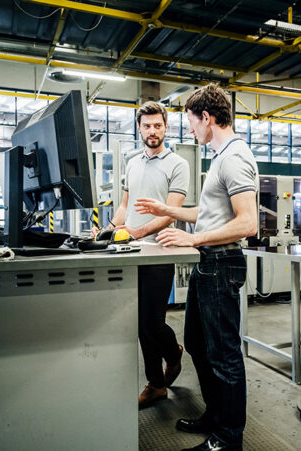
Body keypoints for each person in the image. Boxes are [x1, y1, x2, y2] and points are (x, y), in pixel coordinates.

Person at [134, 84, 258, 451]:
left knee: (224, 355)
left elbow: (247, 223)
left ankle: (227, 438)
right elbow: (207, 214)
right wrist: (167, 210)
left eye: (191, 123)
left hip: (221, 263)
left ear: (206, 118)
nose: (190, 131)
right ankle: (214, 417)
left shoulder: (234, 156)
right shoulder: (219, 157)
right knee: (198, 348)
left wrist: (193, 239)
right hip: (209, 264)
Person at [106, 101, 190, 409]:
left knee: (153, 322)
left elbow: (171, 213)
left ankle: (174, 353)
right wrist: (108, 229)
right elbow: (125, 206)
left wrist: (137, 233)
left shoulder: (178, 164)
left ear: (166, 127)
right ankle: (156, 384)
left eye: (157, 125)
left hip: (159, 251)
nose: (152, 131)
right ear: (139, 128)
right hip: (131, 253)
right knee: (140, 323)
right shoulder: (132, 162)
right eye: (146, 126)